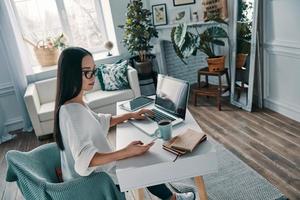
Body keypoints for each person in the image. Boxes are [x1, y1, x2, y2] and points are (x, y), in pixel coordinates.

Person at [53, 47, 195, 200]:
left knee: (138, 156)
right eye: (87, 72)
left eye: (94, 70)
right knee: (143, 163)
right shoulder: (73, 113)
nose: (93, 77)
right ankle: (173, 198)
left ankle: (170, 197)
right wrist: (126, 152)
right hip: (95, 184)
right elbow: (84, 161)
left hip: (97, 175)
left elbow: (100, 121)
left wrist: (131, 115)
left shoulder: (75, 104)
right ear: (71, 74)